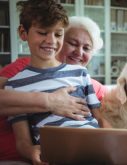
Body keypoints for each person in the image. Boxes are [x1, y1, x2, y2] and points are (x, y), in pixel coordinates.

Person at [3, 0, 102, 164]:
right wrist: (30, 151)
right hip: (57, 153)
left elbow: (100, 119)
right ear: (23, 33)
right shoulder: (14, 85)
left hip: (94, 146)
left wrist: (115, 145)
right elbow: (23, 141)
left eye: (58, 34)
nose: (51, 41)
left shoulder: (80, 73)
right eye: (42, 32)